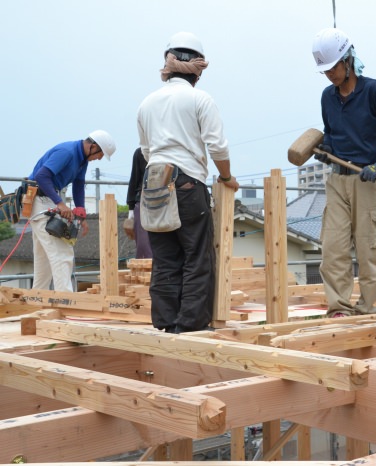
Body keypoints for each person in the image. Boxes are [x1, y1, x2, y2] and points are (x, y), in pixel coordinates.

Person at [137, 32, 239, 334]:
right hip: (186, 184)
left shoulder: (147, 103)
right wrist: (225, 177)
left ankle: (166, 324)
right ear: (197, 70)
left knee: (166, 258)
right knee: (197, 256)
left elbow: (145, 151)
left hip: (153, 183)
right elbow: (218, 147)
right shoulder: (199, 99)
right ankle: (191, 327)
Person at [311, 28, 376, 317]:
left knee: (369, 248)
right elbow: (332, 133)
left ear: (348, 59)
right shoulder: (327, 98)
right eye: (324, 71)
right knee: (333, 246)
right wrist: (323, 147)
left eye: (333, 68)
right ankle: (339, 307)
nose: (329, 75)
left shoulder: (375, 91)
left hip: (367, 178)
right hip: (337, 178)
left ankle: (369, 307)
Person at [27, 130, 116, 292]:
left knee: (44, 256)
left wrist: (80, 211)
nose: (100, 158)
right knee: (62, 253)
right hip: (39, 198)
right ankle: (66, 300)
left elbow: (78, 184)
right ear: (93, 146)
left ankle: (37, 299)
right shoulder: (66, 152)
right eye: (101, 154)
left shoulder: (82, 159)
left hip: (44, 198)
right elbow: (42, 176)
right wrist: (60, 203)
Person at [123, 147, 152, 259]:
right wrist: (131, 208)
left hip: (164, 203)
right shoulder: (140, 152)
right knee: (143, 245)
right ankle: (146, 274)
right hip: (142, 201)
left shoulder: (168, 152)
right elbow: (134, 179)